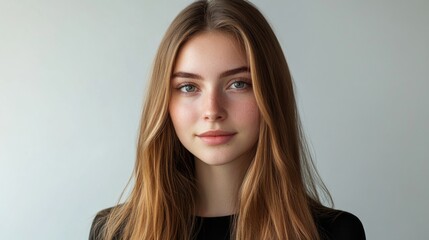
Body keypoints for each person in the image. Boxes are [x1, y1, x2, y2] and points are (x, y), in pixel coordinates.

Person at [89, 0, 365, 239]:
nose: (212, 110)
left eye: (238, 84)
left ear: (270, 94)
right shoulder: (114, 232)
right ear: (164, 103)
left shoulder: (336, 233)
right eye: (188, 87)